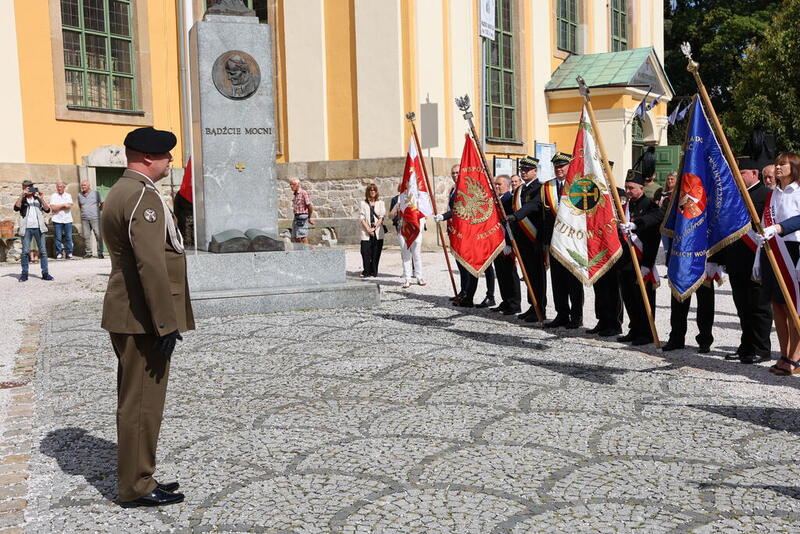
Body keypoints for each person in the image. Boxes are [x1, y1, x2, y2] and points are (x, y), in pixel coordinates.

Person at [101, 126, 194, 507]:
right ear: (147, 157)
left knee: (136, 400)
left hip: (128, 312)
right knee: (142, 403)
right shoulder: (142, 197)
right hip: (141, 318)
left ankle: (141, 474)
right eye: (167, 155)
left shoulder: (121, 192)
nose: (171, 161)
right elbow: (151, 265)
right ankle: (136, 486)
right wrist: (165, 322)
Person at [753, 153, 800, 375]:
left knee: (794, 308)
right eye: (777, 164)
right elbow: (764, 226)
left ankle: (795, 357)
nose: (778, 167)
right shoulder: (773, 195)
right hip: (772, 251)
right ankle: (784, 354)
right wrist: (757, 258)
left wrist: (779, 228)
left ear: (794, 166)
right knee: (778, 307)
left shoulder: (799, 191)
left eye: (783, 164)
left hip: (793, 252)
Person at [723, 157, 771, 364]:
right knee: (742, 306)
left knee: (758, 306)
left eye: (741, 173)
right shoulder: (735, 196)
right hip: (737, 258)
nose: (738, 176)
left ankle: (761, 348)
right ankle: (746, 346)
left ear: (754, 173)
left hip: (757, 258)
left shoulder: (766, 195)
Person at [435, 164, 495, 307]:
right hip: (460, 232)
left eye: (457, 173)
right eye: (453, 173)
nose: (455, 175)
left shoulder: (467, 189)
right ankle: (464, 292)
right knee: (462, 263)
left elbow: (460, 209)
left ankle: (490, 295)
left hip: (477, 232)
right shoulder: (453, 189)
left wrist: (444, 216)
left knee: (486, 265)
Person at [618, 169, 663, 346]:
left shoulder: (650, 206)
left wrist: (648, 264)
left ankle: (646, 333)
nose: (628, 191)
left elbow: (653, 230)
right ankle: (634, 329)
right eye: (626, 188)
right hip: (626, 260)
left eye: (631, 188)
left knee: (643, 300)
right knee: (629, 297)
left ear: (641, 188)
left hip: (643, 260)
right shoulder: (626, 207)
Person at [541, 151, 583, 328]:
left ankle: (576, 316)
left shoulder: (578, 186)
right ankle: (562, 314)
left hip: (573, 240)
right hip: (555, 241)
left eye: (562, 166)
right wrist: (544, 242)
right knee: (557, 280)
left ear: (569, 167)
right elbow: (544, 217)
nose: (559, 169)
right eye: (556, 166)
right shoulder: (548, 187)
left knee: (573, 280)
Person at [505, 155, 547, 322]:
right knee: (528, 274)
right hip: (521, 240)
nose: (524, 172)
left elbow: (533, 206)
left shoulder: (540, 189)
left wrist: (515, 217)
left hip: (535, 239)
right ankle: (532, 306)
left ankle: (540, 308)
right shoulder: (519, 190)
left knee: (537, 276)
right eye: (522, 169)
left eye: (527, 170)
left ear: (535, 171)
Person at [490, 175, 521, 315]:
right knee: (501, 273)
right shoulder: (496, 200)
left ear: (507, 186)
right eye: (495, 184)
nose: (496, 186)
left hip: (506, 242)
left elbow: (512, 223)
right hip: (496, 242)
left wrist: (509, 242)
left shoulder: (510, 199)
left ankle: (514, 304)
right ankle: (505, 300)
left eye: (499, 184)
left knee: (510, 274)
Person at [13, 180, 53, 282]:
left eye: (30, 187)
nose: (29, 189)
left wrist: (41, 198)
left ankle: (45, 273)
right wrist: (22, 195)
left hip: (39, 228)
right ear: (23, 188)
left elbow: (48, 210)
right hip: (26, 228)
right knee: (25, 252)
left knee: (43, 252)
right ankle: (24, 274)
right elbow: (16, 208)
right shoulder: (22, 200)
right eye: (27, 187)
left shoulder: (37, 199)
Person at [388, 189, 425, 288]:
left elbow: (424, 215)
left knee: (417, 255)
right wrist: (396, 210)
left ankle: (419, 277)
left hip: (415, 230)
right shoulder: (398, 201)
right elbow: (390, 216)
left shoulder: (417, 200)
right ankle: (407, 279)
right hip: (403, 231)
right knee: (406, 255)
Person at [358, 183, 386, 278]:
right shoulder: (363, 203)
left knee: (376, 253)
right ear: (368, 192)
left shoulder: (381, 203)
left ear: (376, 192)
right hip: (366, 231)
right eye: (371, 190)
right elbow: (361, 217)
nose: (372, 191)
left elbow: (381, 217)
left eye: (374, 190)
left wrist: (374, 228)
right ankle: (366, 271)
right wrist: (368, 229)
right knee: (365, 251)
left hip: (378, 231)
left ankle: (373, 271)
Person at [78, 180, 104, 259]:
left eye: (84, 185)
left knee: (98, 235)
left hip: (95, 218)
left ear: (89, 186)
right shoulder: (79, 195)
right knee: (86, 236)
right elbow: (80, 205)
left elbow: (103, 203)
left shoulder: (96, 193)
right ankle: (88, 253)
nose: (83, 187)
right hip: (85, 219)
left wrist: (98, 210)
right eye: (82, 185)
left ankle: (100, 253)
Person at [50, 181, 74, 259]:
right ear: (56, 188)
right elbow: (53, 208)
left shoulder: (68, 195)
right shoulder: (54, 196)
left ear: (64, 187)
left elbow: (69, 206)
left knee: (68, 237)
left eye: (61, 187)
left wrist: (58, 207)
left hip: (67, 219)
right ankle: (59, 253)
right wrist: (63, 205)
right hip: (57, 219)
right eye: (58, 187)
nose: (59, 188)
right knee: (58, 238)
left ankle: (69, 253)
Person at [289, 178, 314, 244]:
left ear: (298, 185)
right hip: (296, 217)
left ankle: (306, 252)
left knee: (302, 236)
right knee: (295, 236)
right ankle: (300, 251)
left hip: (302, 216)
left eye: (293, 184)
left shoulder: (303, 193)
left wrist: (309, 218)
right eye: (290, 184)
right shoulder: (295, 194)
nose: (291, 186)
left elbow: (310, 206)